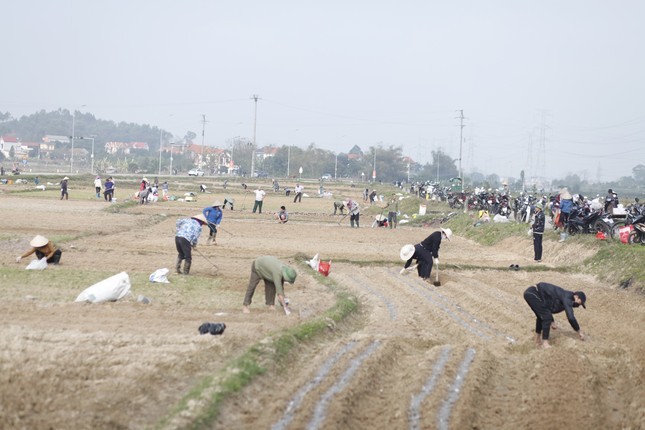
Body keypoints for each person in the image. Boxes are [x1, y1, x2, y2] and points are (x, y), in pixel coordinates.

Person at [523, 282, 587, 349]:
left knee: (542, 316)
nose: (579, 305)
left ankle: (537, 340)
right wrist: (579, 331)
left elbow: (548, 307)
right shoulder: (567, 298)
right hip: (533, 293)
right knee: (546, 317)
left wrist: (552, 321)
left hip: (533, 293)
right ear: (576, 296)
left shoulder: (564, 297)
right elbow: (571, 317)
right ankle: (545, 343)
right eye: (580, 302)